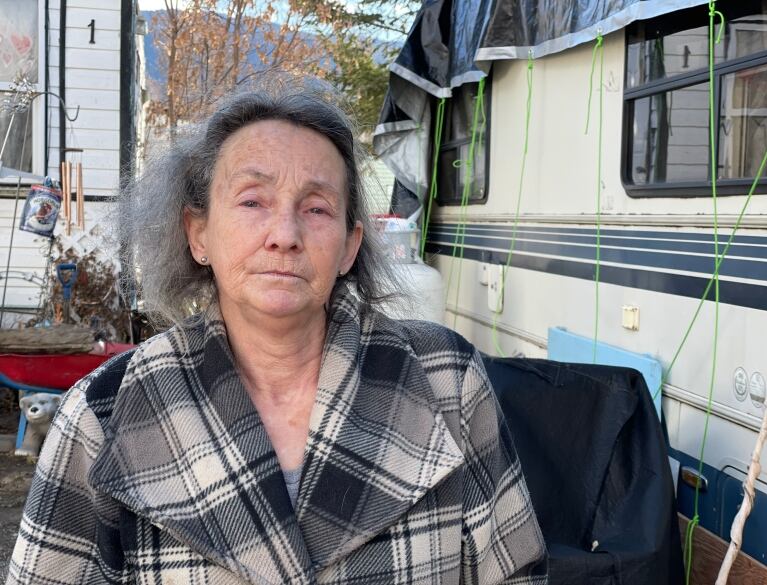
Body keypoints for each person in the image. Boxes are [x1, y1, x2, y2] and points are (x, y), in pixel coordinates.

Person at [7, 81, 547, 584]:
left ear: (349, 246)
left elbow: (518, 571)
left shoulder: (446, 379)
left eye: (316, 208)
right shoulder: (104, 414)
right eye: (252, 201)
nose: (284, 235)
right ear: (198, 235)